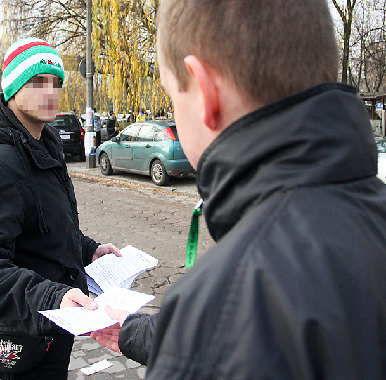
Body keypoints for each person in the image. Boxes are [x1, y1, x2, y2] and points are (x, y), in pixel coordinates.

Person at [90, 0, 386, 379]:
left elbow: (228, 331)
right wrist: (151, 331)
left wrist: (191, 329)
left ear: (204, 91)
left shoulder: (225, 298)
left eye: (172, 98)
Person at [0, 37, 121, 380]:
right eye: (37, 82)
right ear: (13, 88)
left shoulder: (43, 143)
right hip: (25, 330)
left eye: (56, 83)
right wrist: (52, 296)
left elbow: (49, 223)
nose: (51, 93)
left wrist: (89, 250)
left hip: (55, 318)